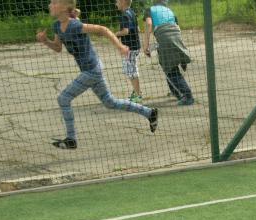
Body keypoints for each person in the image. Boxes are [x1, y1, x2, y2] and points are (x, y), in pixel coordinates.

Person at [37, 0, 158, 149]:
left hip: (91, 70)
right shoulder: (57, 25)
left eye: (54, 2)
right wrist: (45, 41)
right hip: (92, 70)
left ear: (65, 7)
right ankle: (149, 113)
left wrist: (120, 46)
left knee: (63, 98)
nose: (50, 5)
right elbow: (57, 47)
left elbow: (103, 29)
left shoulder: (75, 25)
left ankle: (71, 139)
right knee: (110, 102)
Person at [143, 0, 194, 106]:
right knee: (167, 66)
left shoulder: (150, 10)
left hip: (164, 36)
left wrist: (146, 45)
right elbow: (177, 26)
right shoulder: (169, 10)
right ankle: (176, 92)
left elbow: (149, 23)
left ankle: (187, 96)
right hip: (176, 34)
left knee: (170, 70)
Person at [115, 0, 143, 102]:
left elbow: (125, 31)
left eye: (117, 1)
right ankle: (136, 92)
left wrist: (115, 34)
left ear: (122, 2)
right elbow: (138, 29)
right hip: (135, 45)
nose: (116, 3)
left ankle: (138, 95)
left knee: (131, 71)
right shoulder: (132, 12)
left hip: (130, 48)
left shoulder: (124, 15)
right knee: (131, 69)